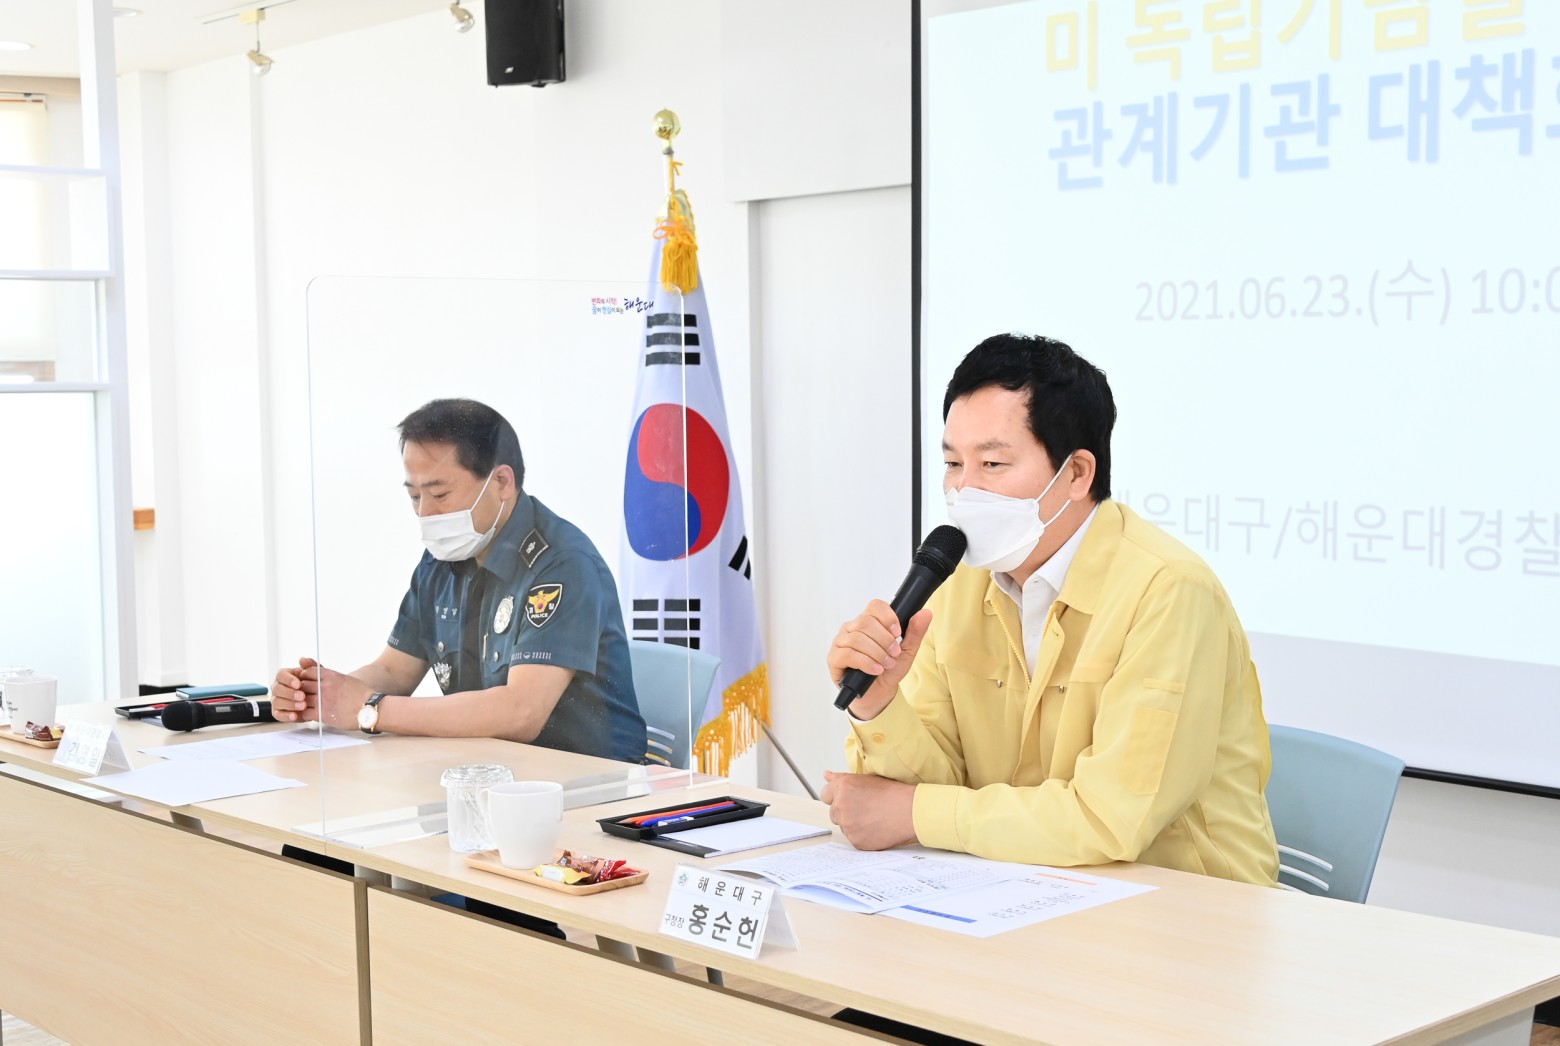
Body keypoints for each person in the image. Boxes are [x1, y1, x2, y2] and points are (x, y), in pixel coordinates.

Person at [823, 334, 1278, 888]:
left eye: (992, 463)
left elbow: (1108, 819)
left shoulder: (1169, 592)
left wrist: (914, 814)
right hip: (1026, 888)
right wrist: (878, 702)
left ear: (1078, 474)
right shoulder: (957, 584)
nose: (963, 490)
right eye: (952, 463)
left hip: (1187, 903)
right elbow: (936, 783)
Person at [271, 397, 646, 761]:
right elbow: (393, 671)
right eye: (414, 496)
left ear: (502, 482)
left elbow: (520, 712)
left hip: (589, 782)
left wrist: (370, 710)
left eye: (439, 494)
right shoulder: (442, 559)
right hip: (487, 773)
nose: (425, 513)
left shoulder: (562, 564)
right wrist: (319, 695)